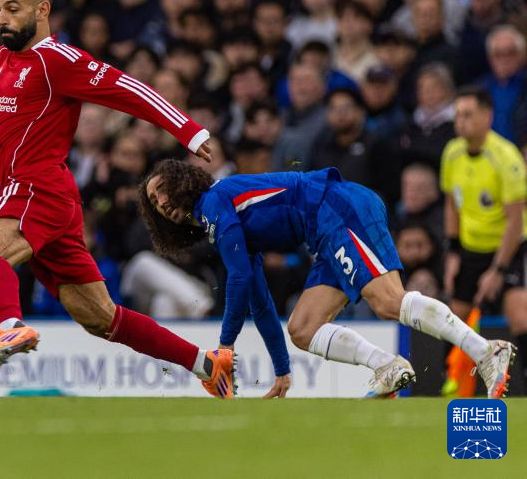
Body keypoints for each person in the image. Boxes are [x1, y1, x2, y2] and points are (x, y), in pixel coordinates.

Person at [0, 0, 236, 397]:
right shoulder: (4, 60)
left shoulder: (58, 60)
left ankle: (9, 327)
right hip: (50, 199)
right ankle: (207, 364)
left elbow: (127, 88)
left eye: (12, 9)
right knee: (101, 318)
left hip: (37, 185)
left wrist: (188, 130)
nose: (1, 19)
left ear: (42, 10)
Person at [140, 158, 516, 399]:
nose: (162, 204)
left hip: (336, 208)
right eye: (154, 203)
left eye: (162, 192)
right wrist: (282, 371)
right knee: (303, 328)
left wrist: (224, 347)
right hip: (324, 230)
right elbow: (259, 300)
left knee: (388, 301)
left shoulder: (214, 203)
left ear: (182, 182)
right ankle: (388, 366)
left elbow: (238, 277)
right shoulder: (220, 220)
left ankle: (486, 351)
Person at [439, 86, 527, 396]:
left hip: (508, 247)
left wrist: (498, 270)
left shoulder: (506, 157)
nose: (461, 122)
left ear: (487, 116)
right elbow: (451, 204)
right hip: (469, 248)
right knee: (453, 318)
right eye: (457, 115)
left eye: (468, 115)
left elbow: (516, 220)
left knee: (520, 315)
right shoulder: (452, 153)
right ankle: (446, 382)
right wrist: (453, 252)